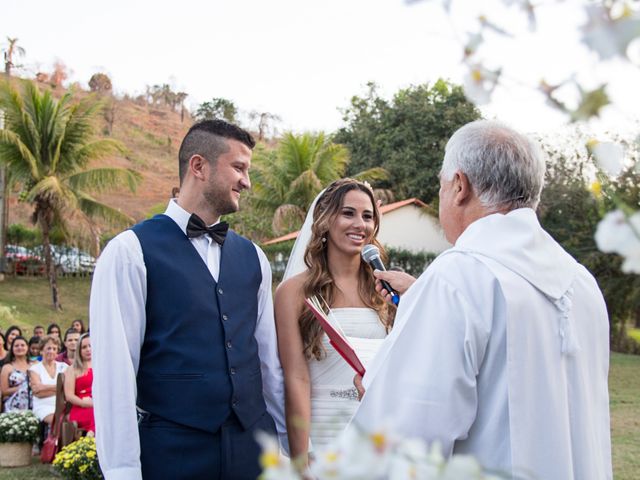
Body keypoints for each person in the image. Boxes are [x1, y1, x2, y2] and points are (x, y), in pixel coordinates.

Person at [352, 120, 612, 479]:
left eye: (441, 186)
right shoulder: (582, 283)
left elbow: (405, 439)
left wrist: (378, 387)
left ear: (459, 186)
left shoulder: (457, 278)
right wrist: (420, 299)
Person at [90, 119, 286, 480]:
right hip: (172, 453)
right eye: (239, 168)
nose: (247, 181)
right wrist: (121, 471)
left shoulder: (254, 257)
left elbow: (268, 362)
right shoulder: (129, 252)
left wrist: (286, 450)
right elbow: (115, 372)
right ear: (199, 166)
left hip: (253, 449)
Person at [275, 179, 393, 468]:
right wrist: (302, 456)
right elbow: (296, 377)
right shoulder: (293, 292)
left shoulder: (384, 291)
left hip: (375, 435)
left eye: (368, 216)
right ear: (326, 220)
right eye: (348, 213)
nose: (360, 224)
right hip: (322, 434)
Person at [29, 335, 67, 425]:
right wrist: (60, 388)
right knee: (59, 421)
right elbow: (37, 391)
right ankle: (54, 439)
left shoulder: (64, 367)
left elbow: (69, 389)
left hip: (64, 406)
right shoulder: (34, 368)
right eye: (48, 348)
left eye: (54, 349)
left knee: (73, 421)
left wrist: (44, 388)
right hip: (43, 406)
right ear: (41, 351)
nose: (51, 351)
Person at [64, 333, 95, 433]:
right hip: (81, 407)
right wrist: (84, 403)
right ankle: (90, 442)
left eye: (90, 345)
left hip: (98, 404)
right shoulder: (72, 369)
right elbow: (69, 395)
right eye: (84, 347)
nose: (88, 349)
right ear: (79, 350)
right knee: (97, 415)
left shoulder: (101, 366)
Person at [1, 336, 32, 412]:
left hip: (33, 403)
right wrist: (23, 388)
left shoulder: (34, 366)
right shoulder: (7, 367)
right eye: (16, 346)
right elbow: (4, 390)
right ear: (12, 349)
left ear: (27, 347)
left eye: (22, 345)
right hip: (13, 406)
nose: (19, 348)